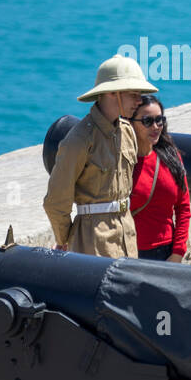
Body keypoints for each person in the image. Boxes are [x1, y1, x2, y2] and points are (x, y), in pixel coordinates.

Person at [44, 56, 158, 258]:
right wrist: (65, 240)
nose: (140, 101)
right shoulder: (80, 139)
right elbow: (56, 201)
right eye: (134, 94)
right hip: (93, 242)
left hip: (127, 236)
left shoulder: (127, 132)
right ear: (113, 93)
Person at [129, 95, 191, 262]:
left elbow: (183, 207)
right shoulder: (123, 163)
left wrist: (178, 252)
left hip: (167, 252)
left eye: (159, 120)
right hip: (132, 252)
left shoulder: (172, 158)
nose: (155, 126)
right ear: (131, 123)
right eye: (147, 121)